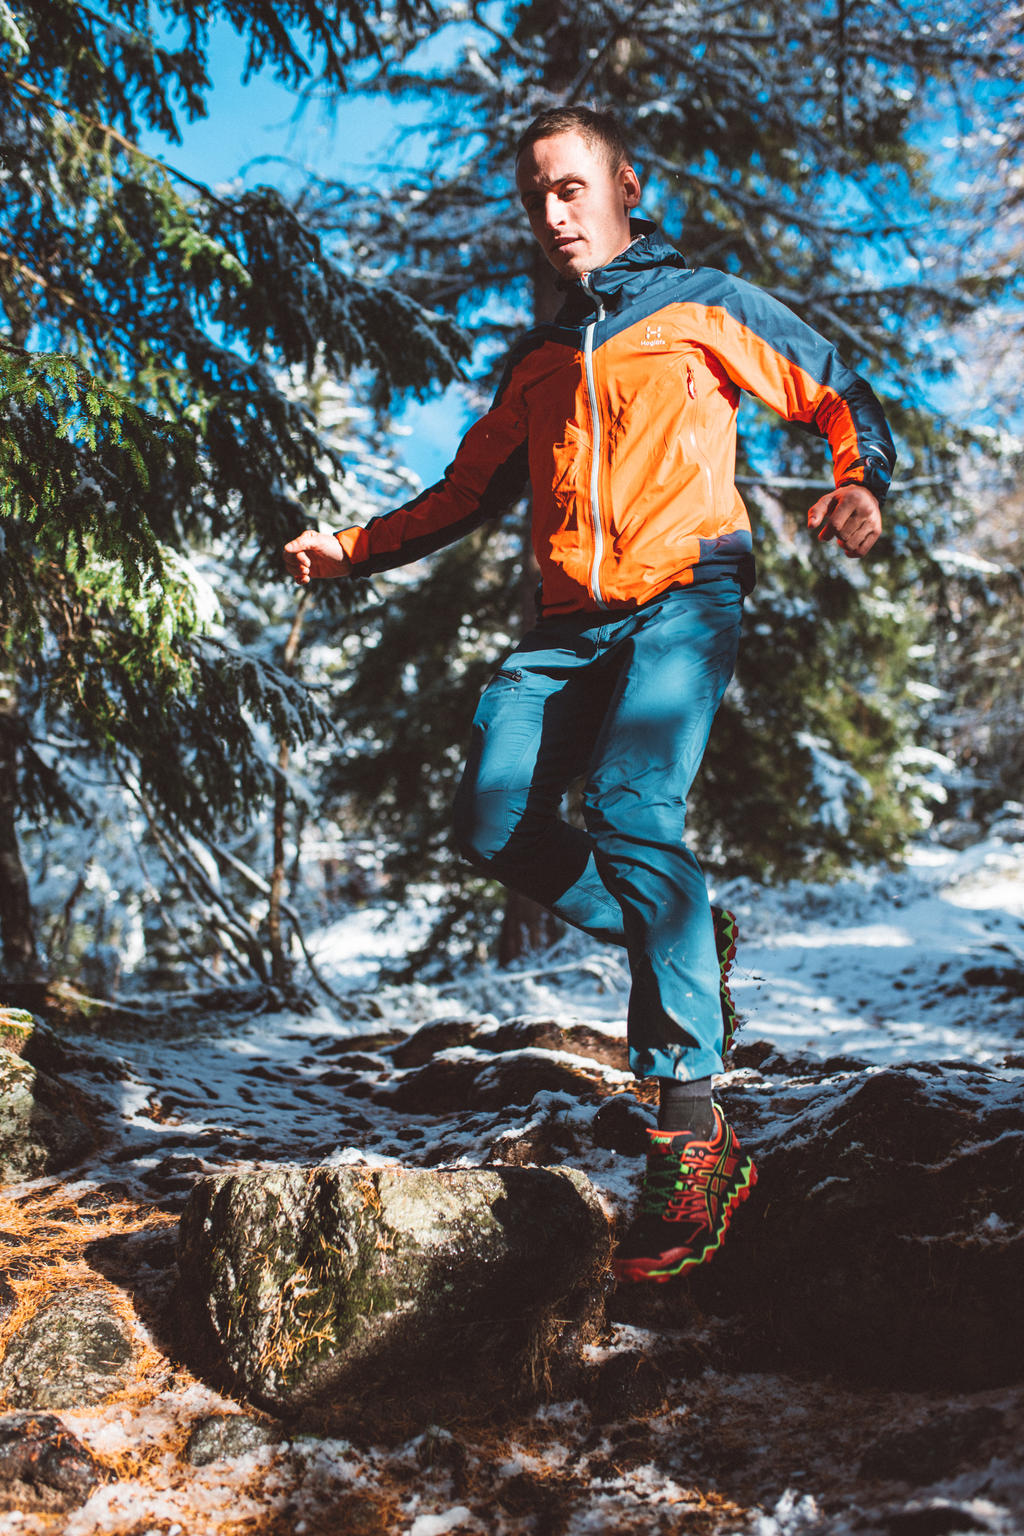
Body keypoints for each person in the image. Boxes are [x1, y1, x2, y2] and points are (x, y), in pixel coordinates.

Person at [284, 106, 896, 1284]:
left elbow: (834, 389)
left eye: (571, 189)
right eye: (535, 199)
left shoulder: (701, 305)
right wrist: (350, 550)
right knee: (494, 820)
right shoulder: (540, 363)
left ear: (624, 187)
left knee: (630, 807)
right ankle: (685, 938)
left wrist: (856, 489)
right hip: (569, 631)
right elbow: (462, 495)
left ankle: (692, 1130)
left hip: (684, 597)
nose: (553, 214)